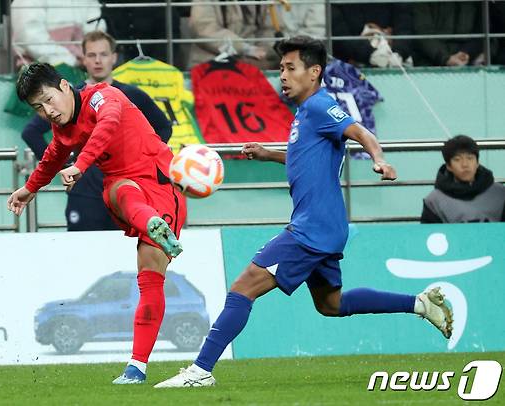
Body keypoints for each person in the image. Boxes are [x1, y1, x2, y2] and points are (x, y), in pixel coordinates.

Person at [154, 36, 454, 388]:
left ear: (314, 73)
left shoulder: (318, 107)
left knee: (243, 287)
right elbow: (307, 157)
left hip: (312, 229)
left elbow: (360, 132)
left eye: (290, 68)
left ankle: (200, 371)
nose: (282, 75)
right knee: (331, 304)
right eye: (280, 68)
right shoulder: (305, 115)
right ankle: (420, 304)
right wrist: (270, 155)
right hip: (325, 227)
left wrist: (379, 158)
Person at [7, 62, 186, 385]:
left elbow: (108, 125)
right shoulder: (64, 130)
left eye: (48, 99)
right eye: (38, 107)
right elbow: (51, 158)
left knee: (148, 273)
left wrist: (81, 165)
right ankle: (137, 368)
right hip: (130, 193)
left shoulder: (103, 97)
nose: (47, 111)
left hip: (160, 183)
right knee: (122, 196)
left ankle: (137, 366)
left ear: (64, 86)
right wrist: (29, 188)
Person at [21, 31, 172, 231]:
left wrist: (139, 156)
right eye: (92, 55)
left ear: (114, 57)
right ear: (83, 59)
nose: (98, 61)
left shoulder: (131, 95)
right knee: (84, 254)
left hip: (129, 187)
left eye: (103, 54)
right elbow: (33, 134)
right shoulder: (66, 103)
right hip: (87, 192)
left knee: (132, 245)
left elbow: (163, 127)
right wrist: (69, 165)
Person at [421, 135, 505, 223]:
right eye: (457, 159)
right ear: (449, 166)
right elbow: (431, 234)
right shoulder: (434, 201)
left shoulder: (500, 193)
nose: (465, 164)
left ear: (477, 162)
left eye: (470, 158)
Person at [188, 0, 279, 69]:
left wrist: (264, 52)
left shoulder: (262, 3)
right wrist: (244, 49)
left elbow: (267, 30)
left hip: (253, 63)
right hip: (211, 62)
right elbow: (204, 30)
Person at [412, 2, 482, 67]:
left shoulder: (476, 3)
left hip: (468, 61)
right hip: (430, 60)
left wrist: (465, 53)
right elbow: (422, 32)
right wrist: (445, 58)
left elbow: (481, 31)